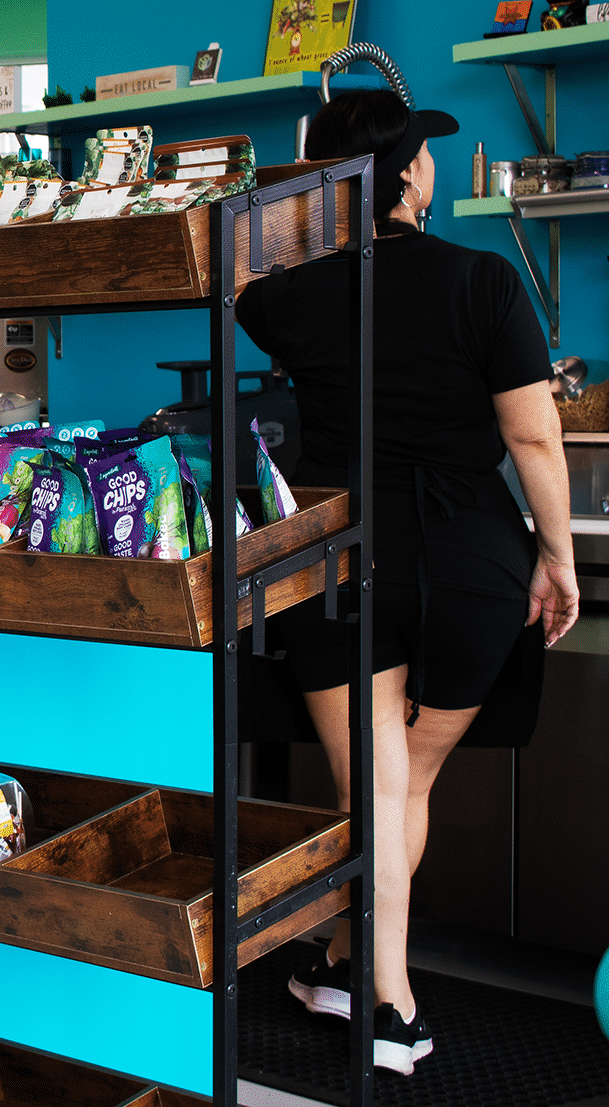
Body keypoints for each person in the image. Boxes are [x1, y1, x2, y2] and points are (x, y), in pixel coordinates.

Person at [236, 90, 579, 1076]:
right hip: (474, 560)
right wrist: (555, 557)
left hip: (343, 557)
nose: (430, 163)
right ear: (408, 175)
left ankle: (362, 975)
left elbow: (241, 264)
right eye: (421, 152)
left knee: (378, 786)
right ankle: (382, 999)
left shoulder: (288, 295)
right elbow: (532, 437)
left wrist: (311, 199)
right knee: (400, 782)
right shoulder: (484, 280)